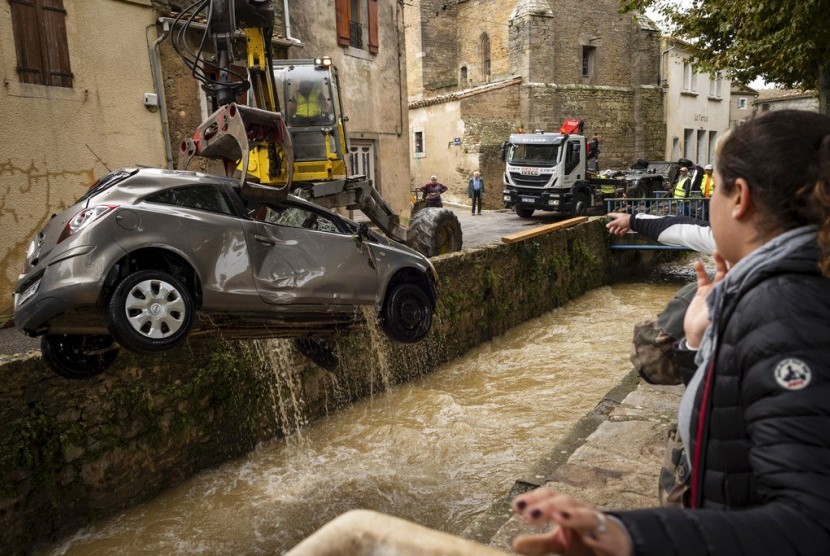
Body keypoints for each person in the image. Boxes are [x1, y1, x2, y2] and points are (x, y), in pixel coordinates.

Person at [511, 109, 830, 555]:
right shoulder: (780, 289)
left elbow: (810, 525)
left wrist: (625, 535)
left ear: (739, 197)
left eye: (716, 188)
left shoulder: (786, 310)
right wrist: (696, 347)